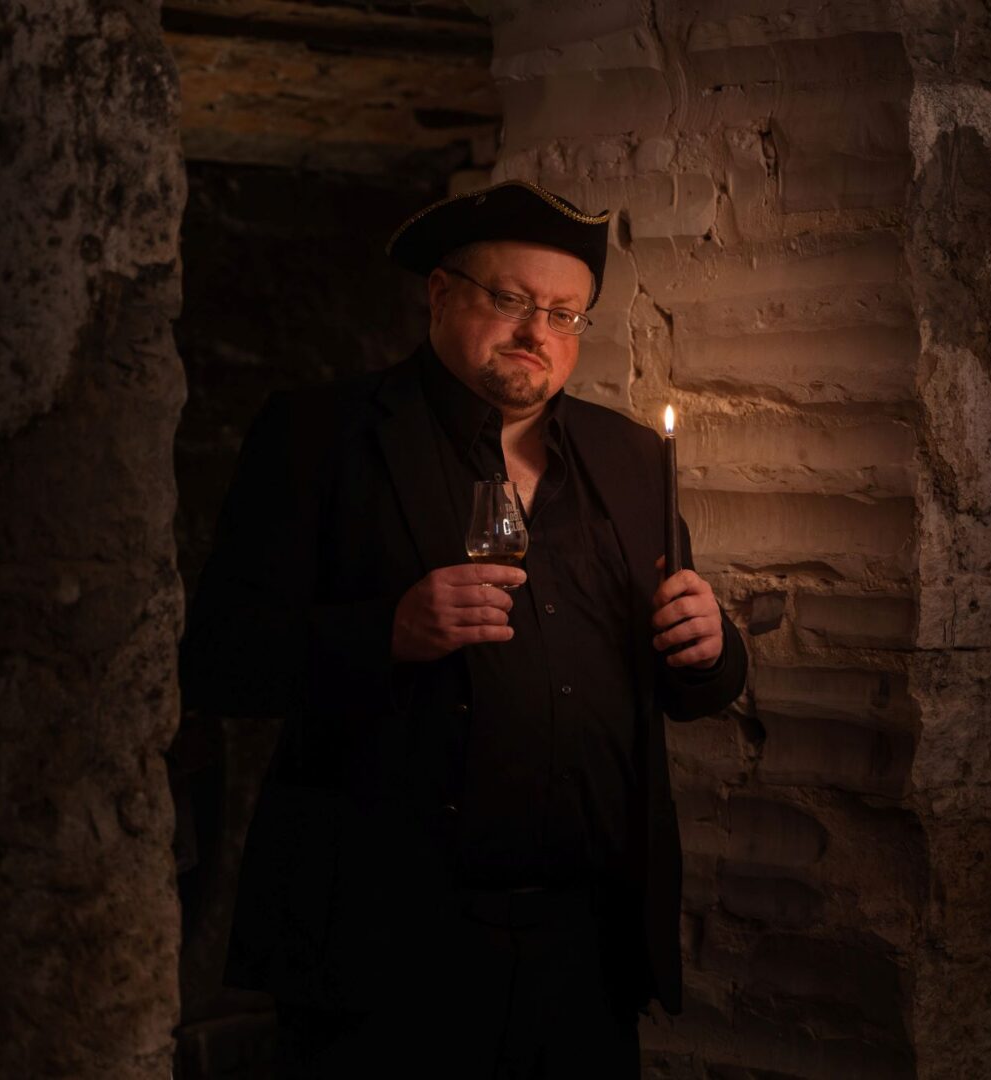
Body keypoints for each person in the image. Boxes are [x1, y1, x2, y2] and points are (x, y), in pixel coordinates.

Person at [179, 179, 748, 1078]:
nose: (538, 332)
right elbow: (218, 659)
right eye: (511, 300)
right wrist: (385, 632)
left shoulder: (631, 459)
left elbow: (685, 684)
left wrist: (714, 646)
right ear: (439, 294)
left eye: (565, 314)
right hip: (385, 943)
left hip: (583, 943)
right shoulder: (316, 436)